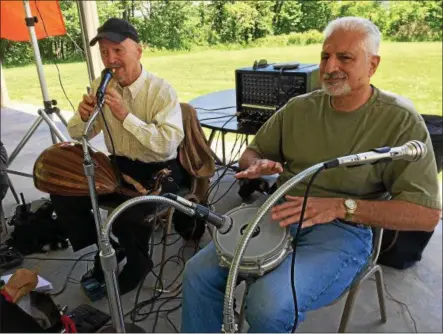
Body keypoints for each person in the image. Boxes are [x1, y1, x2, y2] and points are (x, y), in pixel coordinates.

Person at [180, 17, 442, 332]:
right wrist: (255, 165)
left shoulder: (400, 121)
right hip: (280, 212)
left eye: (345, 58)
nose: (329, 67)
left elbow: (426, 215)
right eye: (324, 56)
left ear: (372, 65)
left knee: (268, 303)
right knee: (197, 273)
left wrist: (340, 206)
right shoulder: (299, 108)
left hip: (345, 230)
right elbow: (252, 153)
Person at [50, 18, 185, 295]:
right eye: (103, 53)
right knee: (63, 190)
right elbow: (79, 133)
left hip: (160, 169)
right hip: (120, 165)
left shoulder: (161, 91)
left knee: (126, 214)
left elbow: (166, 145)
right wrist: (84, 116)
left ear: (138, 50)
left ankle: (138, 262)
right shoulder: (102, 82)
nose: (110, 60)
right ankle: (110, 246)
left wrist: (126, 116)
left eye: (117, 50)